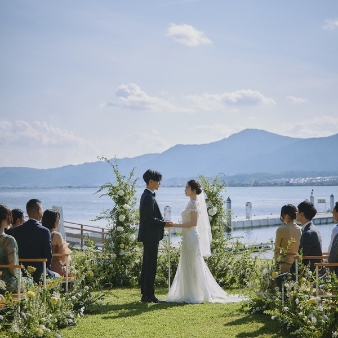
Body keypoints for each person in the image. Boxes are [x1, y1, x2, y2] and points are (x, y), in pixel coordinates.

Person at [166, 180, 244, 303]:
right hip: (187, 238)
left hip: (191, 237)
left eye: (187, 188)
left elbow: (193, 223)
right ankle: (189, 292)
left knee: (193, 264)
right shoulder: (190, 203)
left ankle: (195, 293)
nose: (184, 190)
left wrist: (174, 225)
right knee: (188, 264)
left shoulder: (194, 203)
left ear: (193, 190)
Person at [138, 169, 173, 303]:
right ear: (151, 181)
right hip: (150, 235)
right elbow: (148, 218)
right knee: (150, 265)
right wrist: (163, 223)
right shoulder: (148, 196)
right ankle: (149, 295)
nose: (160, 183)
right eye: (158, 181)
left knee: (147, 265)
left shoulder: (147, 195)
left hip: (149, 235)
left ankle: (146, 294)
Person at [276, 200, 322, 289]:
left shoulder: (308, 233)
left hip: (309, 271)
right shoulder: (313, 229)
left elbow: (301, 256)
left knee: (279, 279)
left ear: (302, 214)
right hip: (313, 268)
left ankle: (286, 302)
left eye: (297, 211)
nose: (295, 213)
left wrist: (290, 272)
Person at [10, 199, 55, 283]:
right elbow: (48, 256)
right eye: (42, 209)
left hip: (21, 272)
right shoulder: (44, 231)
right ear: (39, 211)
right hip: (40, 273)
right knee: (59, 277)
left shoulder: (16, 231)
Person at [42, 209, 72, 277]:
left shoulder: (41, 233)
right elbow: (64, 254)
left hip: (43, 267)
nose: (59, 221)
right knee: (75, 272)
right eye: (58, 219)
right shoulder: (56, 235)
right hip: (55, 268)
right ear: (54, 221)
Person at [274, 204, 302, 273]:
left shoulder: (281, 230)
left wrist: (275, 266)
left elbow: (277, 250)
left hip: (285, 265)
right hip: (297, 265)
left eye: (282, 216)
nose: (282, 218)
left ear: (286, 216)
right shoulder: (300, 229)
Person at [0, 204, 20, 293]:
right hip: (4, 281)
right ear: (4, 219)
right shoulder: (9, 240)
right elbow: (13, 268)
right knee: (29, 282)